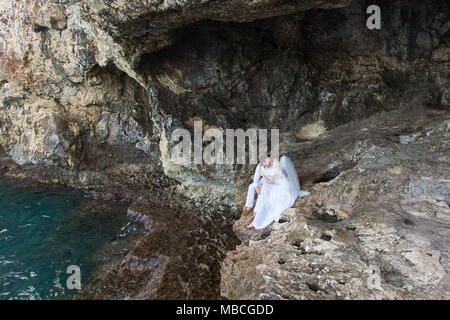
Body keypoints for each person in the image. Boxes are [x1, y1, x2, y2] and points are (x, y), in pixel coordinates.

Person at [247, 155, 310, 230]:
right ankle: (253, 209)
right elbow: (256, 178)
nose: (270, 164)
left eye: (270, 162)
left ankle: (257, 216)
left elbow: (271, 181)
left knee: (267, 193)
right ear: (262, 163)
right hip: (271, 182)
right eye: (268, 163)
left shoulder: (275, 166)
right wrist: (257, 186)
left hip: (277, 184)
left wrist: (263, 175)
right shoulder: (260, 166)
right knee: (255, 187)